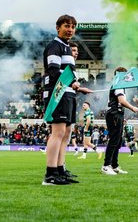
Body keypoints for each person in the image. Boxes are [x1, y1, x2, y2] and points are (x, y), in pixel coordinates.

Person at [42, 15, 81, 185]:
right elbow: (53, 70)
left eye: (73, 26)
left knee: (65, 134)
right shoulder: (54, 46)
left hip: (67, 94)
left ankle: (59, 171)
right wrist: (73, 82)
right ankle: (50, 175)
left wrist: (76, 83)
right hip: (57, 93)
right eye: (67, 26)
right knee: (57, 133)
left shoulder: (66, 48)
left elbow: (67, 72)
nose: (70, 29)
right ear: (58, 27)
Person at [101, 67, 138, 175]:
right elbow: (121, 101)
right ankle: (106, 166)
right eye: (125, 74)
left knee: (117, 141)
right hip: (114, 114)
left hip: (117, 114)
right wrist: (133, 108)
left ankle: (114, 165)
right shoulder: (118, 85)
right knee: (114, 140)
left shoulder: (119, 85)